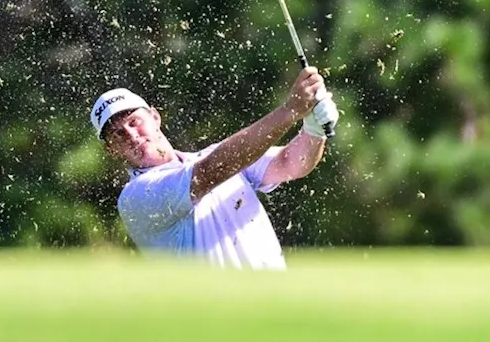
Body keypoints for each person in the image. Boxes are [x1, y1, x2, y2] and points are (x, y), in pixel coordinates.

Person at [90, 66, 339, 269]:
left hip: (276, 306)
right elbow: (209, 172)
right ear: (112, 150)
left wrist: (314, 129)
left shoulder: (211, 156)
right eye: (118, 134)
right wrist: (289, 111)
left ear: (155, 117)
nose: (131, 135)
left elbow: (291, 163)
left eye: (135, 122)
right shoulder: (136, 197)